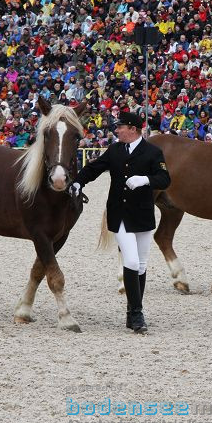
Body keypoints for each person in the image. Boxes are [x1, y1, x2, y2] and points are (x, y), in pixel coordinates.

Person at [71, 110, 171, 333]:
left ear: (132, 129)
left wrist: (145, 179)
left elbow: (165, 179)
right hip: (120, 214)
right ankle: (137, 315)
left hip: (143, 214)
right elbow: (94, 168)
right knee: (132, 262)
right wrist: (78, 182)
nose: (116, 131)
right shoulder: (115, 150)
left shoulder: (153, 152)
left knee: (142, 264)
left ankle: (132, 311)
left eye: (120, 127)